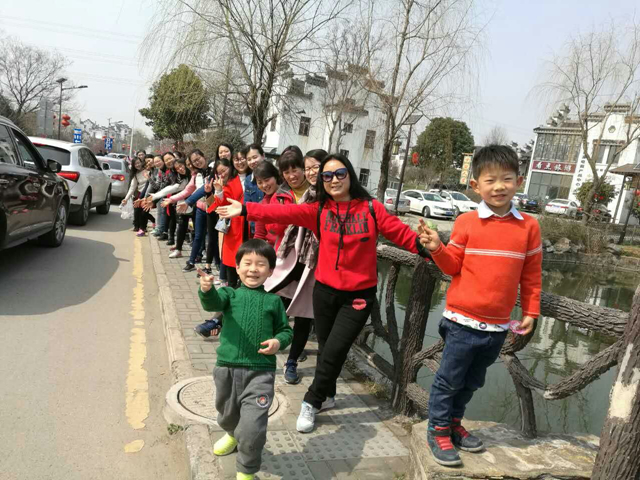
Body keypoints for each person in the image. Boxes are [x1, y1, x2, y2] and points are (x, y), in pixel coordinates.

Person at [217, 153, 430, 434]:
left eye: (340, 173)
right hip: (325, 292)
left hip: (357, 297)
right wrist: (245, 209)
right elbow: (282, 213)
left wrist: (429, 248)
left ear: (350, 175)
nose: (334, 180)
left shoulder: (371, 208)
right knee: (327, 349)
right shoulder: (319, 210)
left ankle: (311, 400)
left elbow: (400, 234)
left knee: (334, 351)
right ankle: (328, 394)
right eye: (327, 176)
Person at [417, 145, 542, 467]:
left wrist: (531, 311)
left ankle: (454, 423)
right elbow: (452, 266)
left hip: (497, 326)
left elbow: (531, 274)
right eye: (490, 180)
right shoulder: (467, 222)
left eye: (507, 179)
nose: (499, 186)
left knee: (473, 381)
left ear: (519, 181)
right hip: (461, 321)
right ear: (475, 185)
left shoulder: (529, 227)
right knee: (449, 379)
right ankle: (438, 430)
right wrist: (437, 248)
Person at [199, 239, 293, 480]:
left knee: (253, 427)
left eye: (261, 264)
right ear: (237, 267)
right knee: (227, 415)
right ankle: (232, 434)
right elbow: (212, 303)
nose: (253, 269)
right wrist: (207, 289)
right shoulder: (228, 294)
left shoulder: (274, 301)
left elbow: (285, 331)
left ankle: (246, 470)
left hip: (261, 373)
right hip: (226, 369)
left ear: (270, 271)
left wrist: (278, 342)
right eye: (247, 263)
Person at [265, 148, 326, 384]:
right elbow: (271, 222)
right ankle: (260, 346)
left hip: (313, 264)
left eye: (298, 169)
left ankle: (291, 361)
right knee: (271, 302)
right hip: (288, 260)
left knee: (303, 315)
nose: (293, 175)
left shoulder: (326, 196)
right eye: (286, 171)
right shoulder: (284, 194)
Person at [121, 156, 149, 235]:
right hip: (139, 194)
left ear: (141, 162)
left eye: (138, 163)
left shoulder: (148, 171)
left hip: (148, 194)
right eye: (135, 164)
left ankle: (143, 228)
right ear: (133, 165)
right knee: (137, 212)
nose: (137, 165)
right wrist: (126, 199)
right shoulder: (135, 175)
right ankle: (137, 226)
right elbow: (132, 187)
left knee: (144, 212)